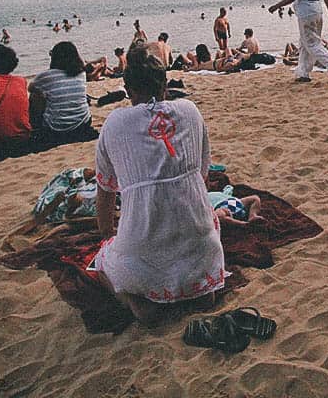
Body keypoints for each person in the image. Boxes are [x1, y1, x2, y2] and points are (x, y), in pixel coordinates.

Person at [91, 47, 228, 323]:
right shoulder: (190, 111)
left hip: (143, 251)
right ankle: (200, 290)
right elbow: (203, 179)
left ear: (128, 90)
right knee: (199, 235)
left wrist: (107, 237)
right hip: (200, 246)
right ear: (165, 84)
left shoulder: (115, 123)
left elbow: (105, 194)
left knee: (100, 263)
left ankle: (134, 299)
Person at [29, 42, 93, 142]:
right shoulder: (81, 73)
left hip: (56, 127)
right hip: (83, 122)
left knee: (35, 94)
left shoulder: (47, 76)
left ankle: (35, 126)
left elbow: (30, 87)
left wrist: (44, 94)